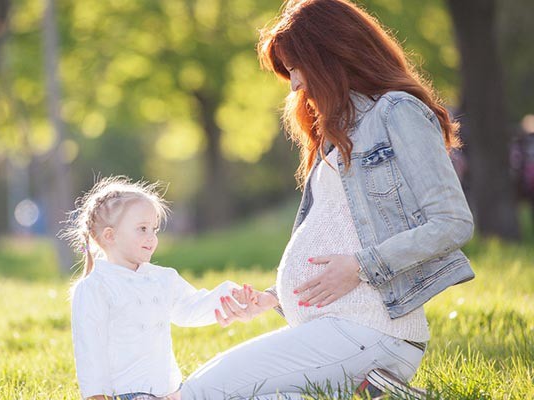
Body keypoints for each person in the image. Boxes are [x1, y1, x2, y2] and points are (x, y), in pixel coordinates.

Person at [176, 0, 476, 398]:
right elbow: (340, 232)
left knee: (200, 391)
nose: (296, 84)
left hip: (373, 331)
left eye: (297, 67)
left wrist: (361, 267)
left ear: (330, 54)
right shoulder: (336, 132)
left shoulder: (397, 112)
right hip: (334, 330)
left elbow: (453, 223)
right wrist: (273, 298)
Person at [64, 176, 247, 400]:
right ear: (110, 235)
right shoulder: (95, 287)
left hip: (170, 390)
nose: (152, 237)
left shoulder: (163, 278)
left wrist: (231, 297)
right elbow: (90, 351)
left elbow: (191, 308)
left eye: (154, 229)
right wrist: (96, 396)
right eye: (142, 229)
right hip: (125, 393)